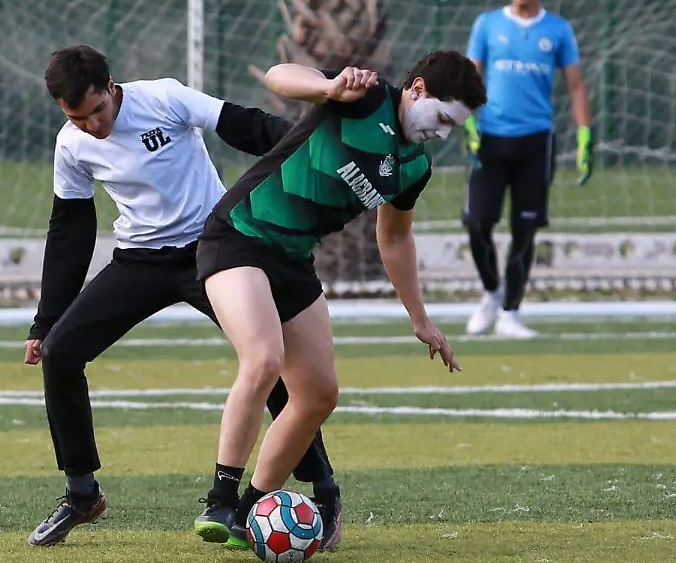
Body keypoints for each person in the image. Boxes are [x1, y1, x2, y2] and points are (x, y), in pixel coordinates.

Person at [23, 45, 343, 550]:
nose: (92, 126)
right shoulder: (72, 145)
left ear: (111, 87)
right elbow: (70, 232)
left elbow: (244, 125)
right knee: (60, 353)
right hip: (141, 263)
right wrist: (45, 321)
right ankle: (81, 492)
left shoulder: (164, 98)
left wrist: (314, 148)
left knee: (274, 364)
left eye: (97, 111)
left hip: (214, 250)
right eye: (76, 118)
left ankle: (322, 489)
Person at [194, 52, 488, 550]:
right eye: (440, 118)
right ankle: (220, 499)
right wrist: (330, 87)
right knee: (264, 359)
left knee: (318, 394)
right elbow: (278, 74)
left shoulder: (414, 167)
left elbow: (394, 239)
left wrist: (420, 319)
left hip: (292, 260)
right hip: (238, 235)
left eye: (451, 128)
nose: (441, 133)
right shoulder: (365, 96)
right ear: (416, 89)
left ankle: (251, 512)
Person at [462, 0, 594, 339]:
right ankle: (491, 292)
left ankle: (511, 312)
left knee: (526, 229)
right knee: (477, 223)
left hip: (537, 141)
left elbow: (575, 84)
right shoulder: (487, 25)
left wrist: (585, 135)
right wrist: (467, 118)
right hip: (491, 139)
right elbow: (472, 74)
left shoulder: (558, 30)